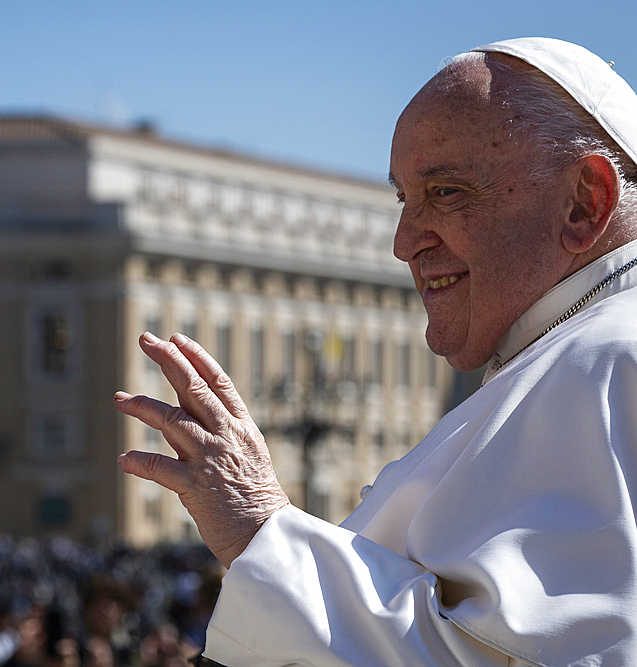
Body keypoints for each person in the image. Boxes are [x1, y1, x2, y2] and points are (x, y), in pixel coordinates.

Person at [115, 37, 637, 665]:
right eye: (402, 198)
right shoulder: (563, 355)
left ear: (584, 203)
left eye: (444, 193)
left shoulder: (608, 362)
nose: (403, 242)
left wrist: (263, 531)